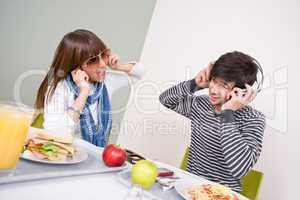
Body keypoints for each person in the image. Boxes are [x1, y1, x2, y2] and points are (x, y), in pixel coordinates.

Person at [159, 51, 266, 192]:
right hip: (188, 187)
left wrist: (228, 113)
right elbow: (166, 100)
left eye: (224, 85)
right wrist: (195, 84)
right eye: (214, 80)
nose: (213, 90)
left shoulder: (253, 119)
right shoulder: (202, 104)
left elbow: (240, 168)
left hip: (221, 194)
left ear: (241, 92)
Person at [35, 29, 145, 147]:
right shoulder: (60, 88)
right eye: (92, 60)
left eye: (103, 55)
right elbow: (57, 133)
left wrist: (120, 66)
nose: (103, 64)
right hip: (65, 157)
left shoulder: (104, 81)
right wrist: (83, 92)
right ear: (76, 66)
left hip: (95, 156)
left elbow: (139, 72)